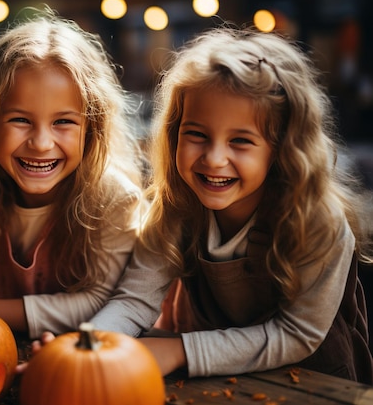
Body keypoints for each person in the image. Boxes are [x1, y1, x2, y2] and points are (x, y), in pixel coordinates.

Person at [86, 26, 373, 383]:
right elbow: (134, 301)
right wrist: (89, 345)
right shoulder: (178, 209)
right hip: (220, 382)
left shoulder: (317, 222)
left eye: (240, 141)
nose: (214, 158)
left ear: (282, 148)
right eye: (197, 135)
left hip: (315, 384)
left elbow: (298, 334)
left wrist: (178, 350)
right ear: (175, 134)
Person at [0, 8, 146, 340]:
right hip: (4, 354)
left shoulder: (113, 199)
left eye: (63, 122)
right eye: (20, 120)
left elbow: (98, 302)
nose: (40, 143)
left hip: (87, 361)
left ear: (92, 129)